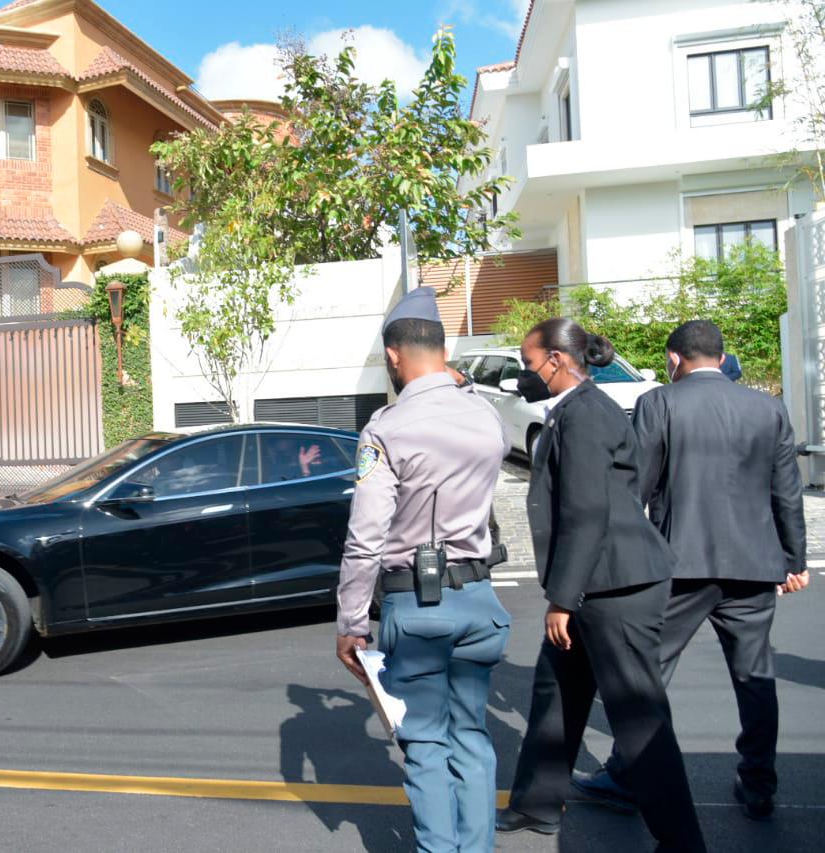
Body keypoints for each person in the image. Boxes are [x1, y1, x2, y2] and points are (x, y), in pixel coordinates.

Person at [572, 320, 808, 821]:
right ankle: (759, 784)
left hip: (680, 563)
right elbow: (787, 491)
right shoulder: (769, 408)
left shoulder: (661, 403)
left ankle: (630, 775)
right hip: (754, 565)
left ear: (674, 359)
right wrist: (794, 561)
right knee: (755, 676)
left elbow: (635, 483)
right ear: (722, 359)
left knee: (648, 671)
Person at [495, 318, 707, 852]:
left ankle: (682, 841)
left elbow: (588, 512)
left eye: (528, 362)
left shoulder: (586, 414)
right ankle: (537, 805)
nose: (524, 372)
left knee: (638, 718)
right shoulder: (575, 409)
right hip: (596, 583)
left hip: (616, 589)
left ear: (558, 361)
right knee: (556, 694)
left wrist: (562, 599)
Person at [337, 286, 512, 853]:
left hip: (417, 608)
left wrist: (350, 622)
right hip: (481, 603)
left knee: (425, 744)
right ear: (442, 349)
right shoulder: (487, 417)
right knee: (473, 738)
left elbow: (365, 540)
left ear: (394, 355)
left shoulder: (387, 428)